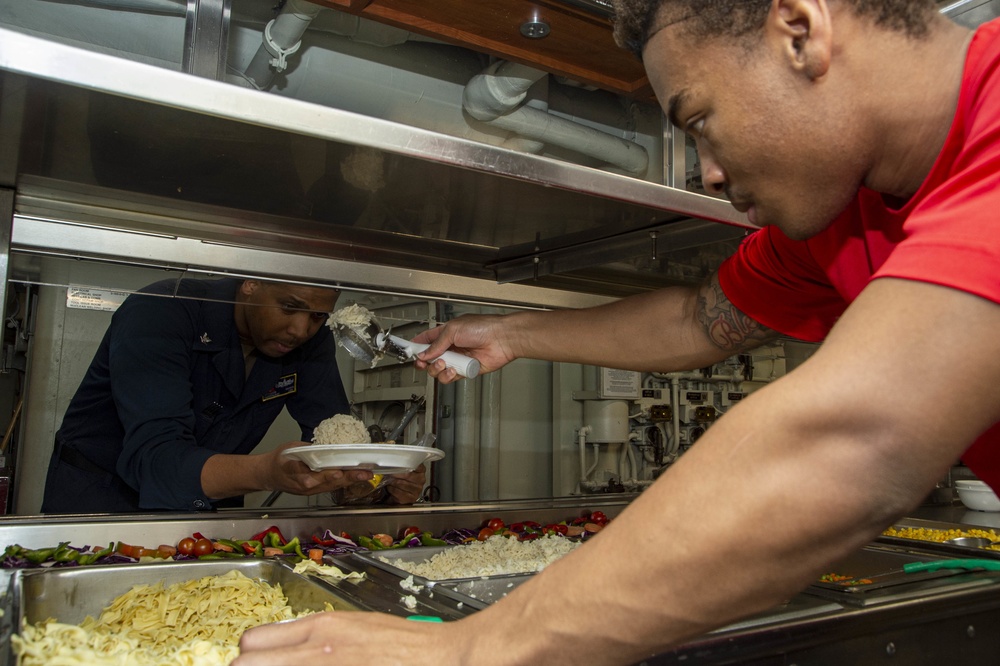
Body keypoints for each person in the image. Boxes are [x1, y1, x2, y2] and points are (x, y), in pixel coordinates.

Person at [234, 1, 1000, 664]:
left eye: (698, 120)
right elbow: (699, 319)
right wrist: (513, 334)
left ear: (799, 31)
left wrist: (467, 649)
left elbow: (853, 444)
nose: (706, 173)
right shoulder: (840, 217)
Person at [42, 276, 425, 513]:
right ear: (250, 282)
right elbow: (155, 458)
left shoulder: (310, 342)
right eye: (290, 308)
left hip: (211, 502)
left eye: (318, 317)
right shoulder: (162, 311)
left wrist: (375, 482)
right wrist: (266, 472)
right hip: (102, 502)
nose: (300, 330)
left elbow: (333, 438)